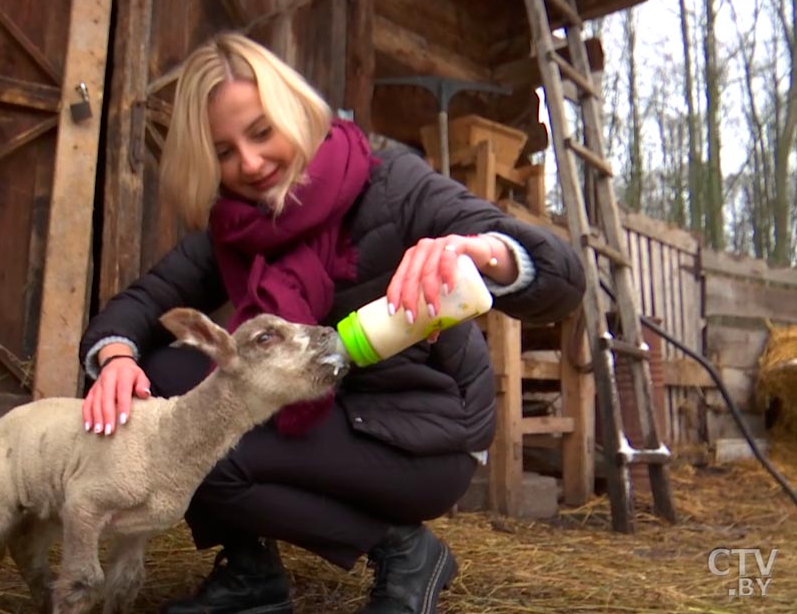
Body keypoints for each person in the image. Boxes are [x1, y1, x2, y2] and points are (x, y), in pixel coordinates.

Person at [78, 32, 584, 614]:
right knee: (169, 382)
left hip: (420, 433)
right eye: (223, 151)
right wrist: (115, 357)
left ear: (294, 110)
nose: (249, 162)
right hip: (322, 419)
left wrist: (481, 251)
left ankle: (404, 551)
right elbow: (142, 302)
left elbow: (560, 277)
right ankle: (252, 575)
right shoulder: (236, 228)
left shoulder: (392, 183)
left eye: (262, 131)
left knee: (215, 449)